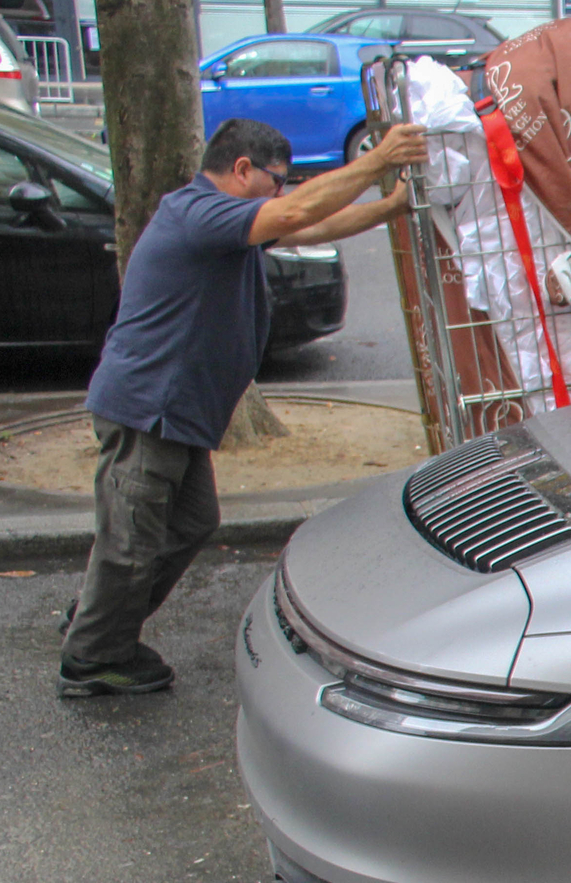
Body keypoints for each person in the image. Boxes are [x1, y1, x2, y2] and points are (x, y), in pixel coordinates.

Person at [57, 115, 429, 697]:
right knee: (131, 542)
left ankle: (101, 616)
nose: (280, 193)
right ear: (240, 170)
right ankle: (94, 656)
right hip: (148, 409)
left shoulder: (227, 222)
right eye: (275, 180)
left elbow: (312, 226)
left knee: (192, 522)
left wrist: (394, 206)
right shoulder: (197, 212)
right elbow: (294, 213)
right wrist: (378, 160)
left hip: (178, 413)